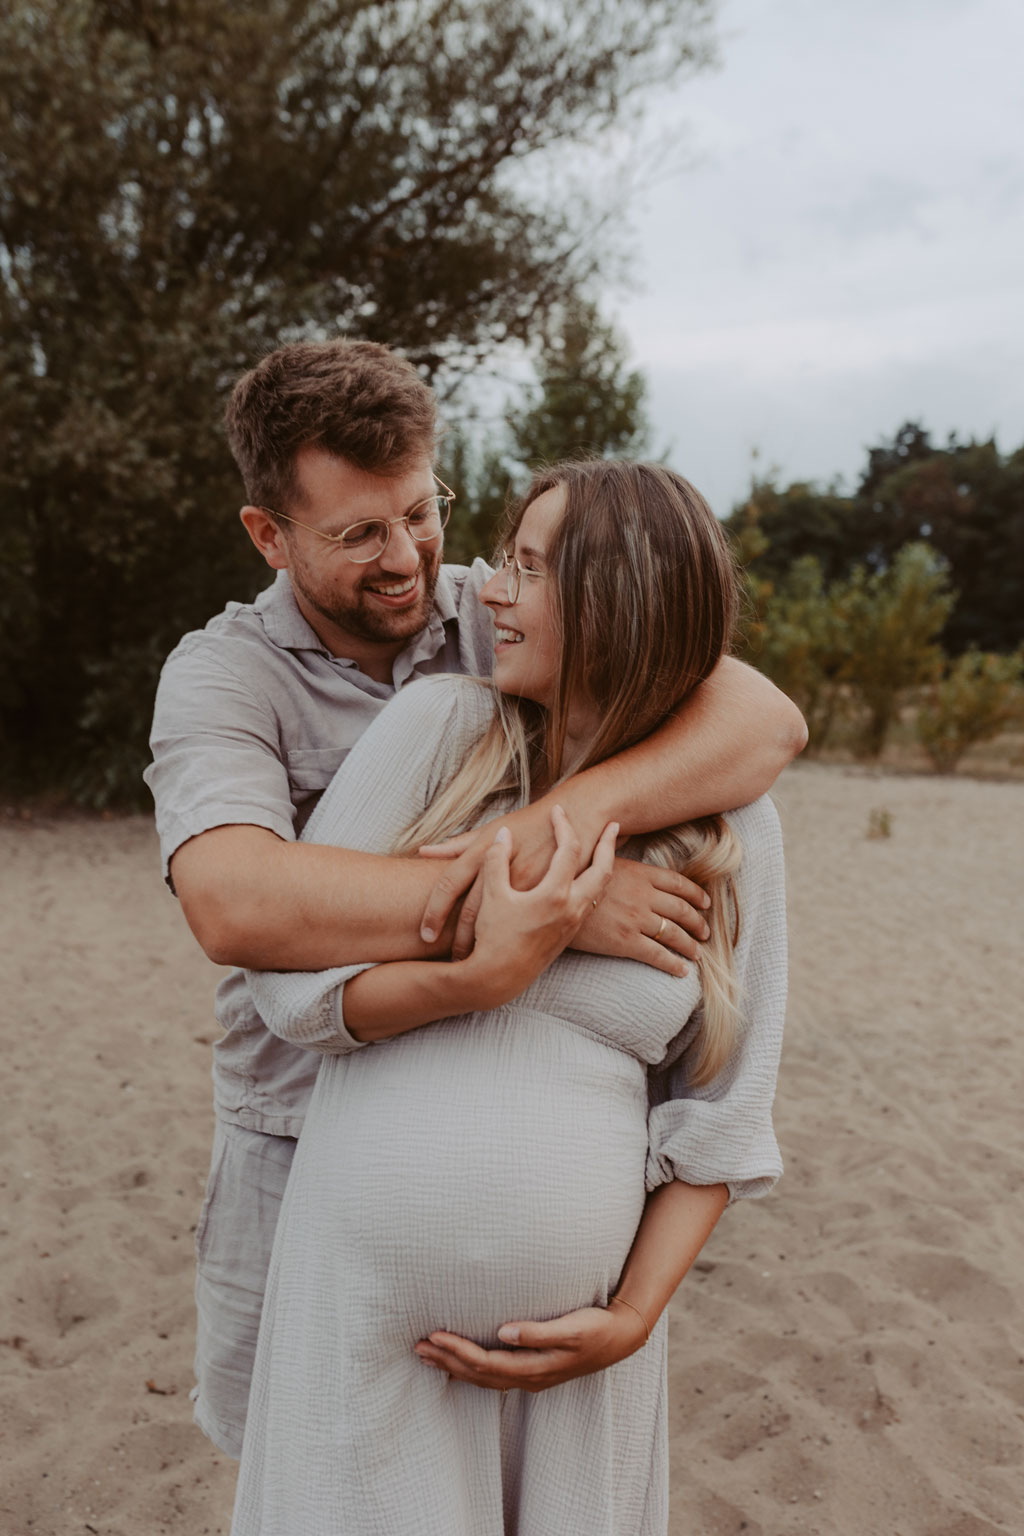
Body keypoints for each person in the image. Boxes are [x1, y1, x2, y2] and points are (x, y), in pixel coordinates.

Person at [144, 340, 805, 1461]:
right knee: (278, 1463)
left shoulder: (490, 609)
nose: (408, 559)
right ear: (269, 534)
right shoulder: (224, 676)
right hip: (291, 1122)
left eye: (422, 511)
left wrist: (553, 837)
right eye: (359, 534)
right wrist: (542, 905)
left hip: (522, 1141)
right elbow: (235, 902)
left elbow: (759, 717)